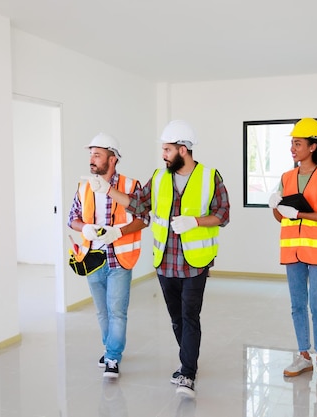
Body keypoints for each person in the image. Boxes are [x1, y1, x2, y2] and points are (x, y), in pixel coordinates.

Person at [88, 120, 230, 398]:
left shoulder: (210, 176)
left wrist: (196, 222)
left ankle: (188, 372)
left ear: (183, 150)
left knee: (190, 316)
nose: (163, 154)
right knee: (176, 318)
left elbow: (223, 215)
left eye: (167, 149)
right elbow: (139, 205)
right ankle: (186, 361)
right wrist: (107, 190)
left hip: (194, 262)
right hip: (165, 262)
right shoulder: (160, 177)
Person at [268, 118, 317, 386]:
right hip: (294, 252)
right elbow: (281, 218)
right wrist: (275, 207)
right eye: (291, 143)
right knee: (297, 305)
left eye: (297, 143)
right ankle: (303, 355)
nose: (292, 148)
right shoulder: (286, 178)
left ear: (312, 147)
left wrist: (299, 213)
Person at [67, 132, 148, 379]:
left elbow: (144, 218)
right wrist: (86, 228)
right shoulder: (84, 186)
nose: (92, 160)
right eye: (91, 155)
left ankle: (113, 356)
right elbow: (73, 219)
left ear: (112, 159)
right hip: (92, 259)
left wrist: (117, 232)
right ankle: (110, 347)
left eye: (97, 155)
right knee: (102, 311)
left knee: (117, 310)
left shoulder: (130, 186)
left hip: (119, 258)